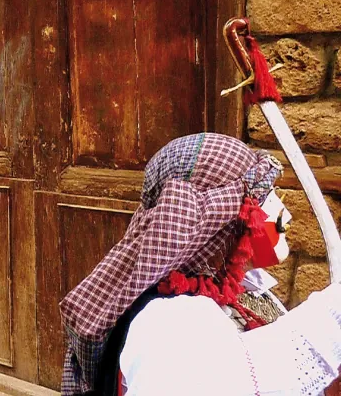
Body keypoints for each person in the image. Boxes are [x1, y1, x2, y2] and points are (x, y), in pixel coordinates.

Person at [60, 133, 341, 396]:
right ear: (222, 222)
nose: (284, 213)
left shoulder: (242, 292)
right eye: (262, 197)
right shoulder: (171, 326)